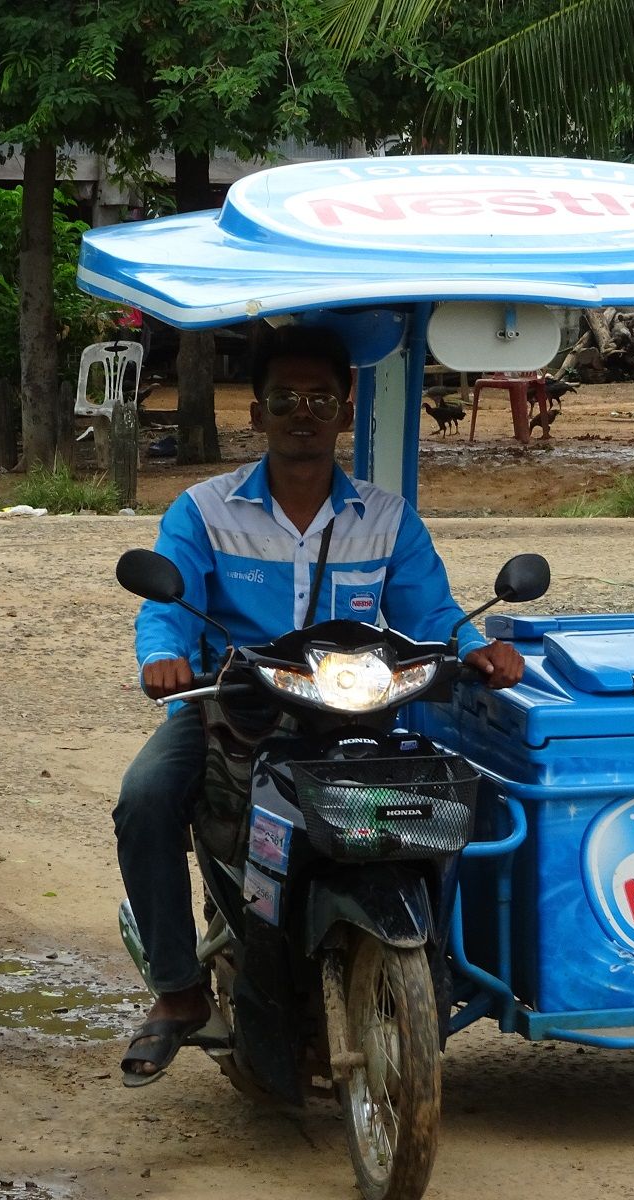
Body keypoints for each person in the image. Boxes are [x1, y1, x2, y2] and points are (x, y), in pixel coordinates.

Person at [114, 323, 525, 1085]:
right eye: (283, 398)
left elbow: (430, 612)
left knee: (443, 804)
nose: (301, 412)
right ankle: (177, 992)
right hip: (234, 711)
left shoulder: (386, 517)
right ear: (257, 412)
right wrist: (163, 656)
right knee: (144, 798)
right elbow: (167, 601)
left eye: (319, 398)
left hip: (356, 718)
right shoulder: (203, 512)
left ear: (344, 410)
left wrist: (472, 649)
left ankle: (432, 969)